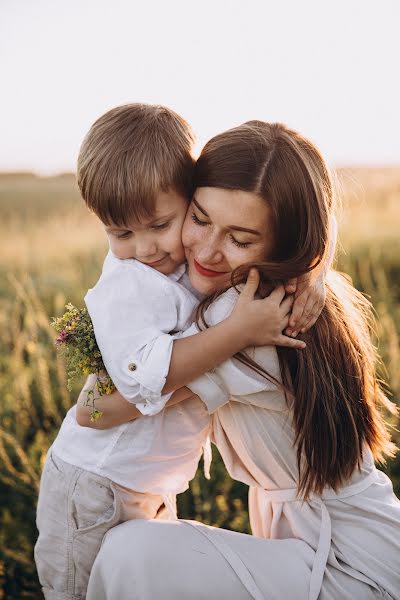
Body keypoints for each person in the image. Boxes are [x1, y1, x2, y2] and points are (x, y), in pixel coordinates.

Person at [85, 121, 400, 600]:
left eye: (241, 239)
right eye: (199, 218)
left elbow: (98, 409)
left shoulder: (244, 319)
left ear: (284, 242)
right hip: (346, 543)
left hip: (351, 567)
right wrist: (316, 268)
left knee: (130, 555)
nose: (208, 251)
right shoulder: (297, 293)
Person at [34, 105, 318, 600]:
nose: (144, 248)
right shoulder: (131, 285)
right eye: (121, 233)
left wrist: (308, 273)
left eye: (159, 225)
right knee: (79, 591)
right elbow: (132, 385)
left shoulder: (184, 265)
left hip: (145, 480)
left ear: (191, 195)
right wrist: (238, 332)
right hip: (95, 481)